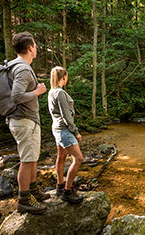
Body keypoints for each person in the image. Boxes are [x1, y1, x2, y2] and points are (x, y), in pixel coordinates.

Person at [8, 31, 50, 214]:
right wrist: (37, 92)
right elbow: (16, 96)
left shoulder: (14, 65)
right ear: (30, 48)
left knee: (32, 157)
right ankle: (24, 200)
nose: (37, 48)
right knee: (27, 160)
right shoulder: (23, 68)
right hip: (24, 120)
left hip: (24, 120)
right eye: (35, 45)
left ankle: (33, 191)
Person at [48, 66, 84, 203]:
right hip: (64, 130)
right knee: (79, 158)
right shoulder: (60, 93)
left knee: (61, 157)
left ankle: (59, 185)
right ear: (64, 77)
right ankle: (67, 191)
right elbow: (66, 116)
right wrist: (76, 132)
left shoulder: (51, 92)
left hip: (56, 129)